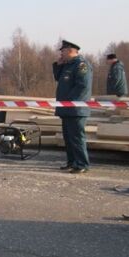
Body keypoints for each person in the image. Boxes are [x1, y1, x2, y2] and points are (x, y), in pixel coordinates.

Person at [53, 40, 93, 174]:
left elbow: (83, 86)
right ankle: (72, 162)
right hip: (66, 109)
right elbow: (59, 78)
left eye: (63, 51)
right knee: (68, 138)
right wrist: (58, 66)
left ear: (70, 50)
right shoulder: (67, 65)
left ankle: (82, 163)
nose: (61, 54)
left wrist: (71, 102)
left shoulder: (81, 65)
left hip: (76, 109)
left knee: (76, 137)